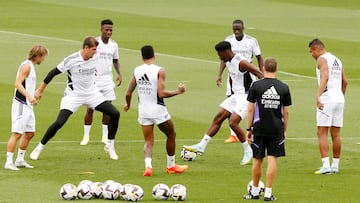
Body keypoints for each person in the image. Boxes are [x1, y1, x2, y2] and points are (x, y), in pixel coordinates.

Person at [29, 37, 120, 161]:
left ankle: (110, 146)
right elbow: (53, 73)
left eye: (96, 49)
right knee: (59, 122)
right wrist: (40, 90)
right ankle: (39, 147)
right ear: (86, 48)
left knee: (115, 113)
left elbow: (107, 64)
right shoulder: (71, 60)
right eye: (93, 49)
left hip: (92, 93)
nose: (95, 52)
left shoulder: (96, 56)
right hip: (74, 95)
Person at [184, 41, 263, 165]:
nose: (218, 56)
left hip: (246, 96)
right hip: (236, 95)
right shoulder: (228, 60)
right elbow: (229, 72)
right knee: (218, 117)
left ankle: (249, 151)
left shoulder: (241, 62)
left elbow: (259, 74)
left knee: (233, 122)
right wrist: (221, 77)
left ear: (226, 52)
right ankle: (201, 146)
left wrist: (260, 92)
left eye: (219, 54)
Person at [123, 45, 188, 176]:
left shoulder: (137, 70)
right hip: (158, 111)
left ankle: (148, 167)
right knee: (171, 134)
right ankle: (171, 166)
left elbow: (128, 93)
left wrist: (128, 105)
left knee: (148, 141)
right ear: (154, 55)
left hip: (143, 111)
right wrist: (178, 91)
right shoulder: (160, 70)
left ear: (142, 57)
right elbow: (162, 93)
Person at [243, 57, 291, 201]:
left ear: (263, 68)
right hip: (276, 128)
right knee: (272, 160)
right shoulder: (284, 87)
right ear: (277, 69)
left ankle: (255, 191)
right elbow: (286, 111)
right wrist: (284, 130)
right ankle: (269, 193)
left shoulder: (256, 86)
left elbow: (250, 109)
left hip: (259, 127)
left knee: (257, 159)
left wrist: (248, 128)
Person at [217, 19, 264, 144]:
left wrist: (261, 72)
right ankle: (233, 134)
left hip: (247, 75)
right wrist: (220, 75)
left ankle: (252, 130)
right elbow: (223, 59)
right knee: (230, 101)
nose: (237, 31)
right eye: (234, 29)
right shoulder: (228, 40)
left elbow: (259, 57)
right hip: (233, 75)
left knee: (251, 104)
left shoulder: (251, 41)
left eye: (239, 29)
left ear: (243, 28)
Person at [4, 45, 49, 171]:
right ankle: (8, 162)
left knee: (30, 133)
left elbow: (26, 85)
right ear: (39, 55)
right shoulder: (26, 66)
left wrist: (34, 93)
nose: (43, 59)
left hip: (28, 105)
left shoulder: (31, 67)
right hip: (21, 104)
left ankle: (20, 160)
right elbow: (17, 83)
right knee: (17, 133)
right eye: (43, 57)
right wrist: (29, 97)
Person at [80, 19, 122, 146]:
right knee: (90, 108)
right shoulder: (95, 43)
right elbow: (87, 56)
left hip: (108, 81)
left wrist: (119, 74)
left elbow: (115, 60)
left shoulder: (114, 45)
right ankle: (86, 136)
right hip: (95, 81)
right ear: (101, 29)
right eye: (106, 30)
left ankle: (104, 136)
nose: (109, 32)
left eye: (111, 30)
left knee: (107, 109)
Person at [308, 38, 347, 174]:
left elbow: (325, 77)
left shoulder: (322, 59)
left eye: (311, 51)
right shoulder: (337, 60)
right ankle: (335, 166)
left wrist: (318, 95)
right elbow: (345, 81)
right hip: (339, 98)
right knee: (336, 134)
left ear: (317, 49)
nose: (311, 54)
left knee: (322, 132)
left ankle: (325, 165)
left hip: (327, 98)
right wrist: (341, 96)